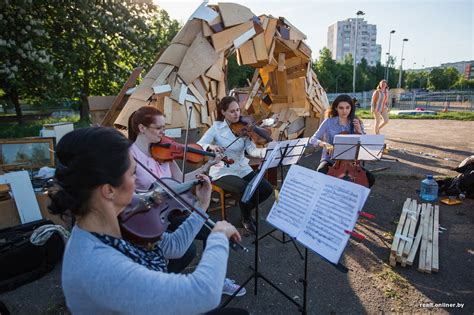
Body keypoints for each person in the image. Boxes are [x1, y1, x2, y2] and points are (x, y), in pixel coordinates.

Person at [49, 127, 247, 314]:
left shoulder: (118, 218)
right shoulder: (98, 265)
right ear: (108, 190)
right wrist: (218, 237)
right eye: (133, 173)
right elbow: (203, 294)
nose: (138, 184)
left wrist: (201, 206)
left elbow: (175, 246)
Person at [127, 106, 245, 296]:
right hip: (148, 218)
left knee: (211, 231)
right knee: (187, 249)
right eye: (159, 128)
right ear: (141, 128)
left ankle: (215, 280)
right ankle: (159, 283)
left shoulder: (162, 152)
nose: (164, 133)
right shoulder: (130, 157)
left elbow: (181, 180)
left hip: (170, 210)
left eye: (164, 128)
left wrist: (208, 165)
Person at [197, 96, 273, 233]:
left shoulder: (244, 127)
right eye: (232, 111)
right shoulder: (216, 128)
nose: (237, 114)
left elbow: (251, 150)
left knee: (266, 189)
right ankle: (246, 218)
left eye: (238, 110)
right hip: (222, 171)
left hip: (242, 167)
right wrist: (210, 147)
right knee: (245, 188)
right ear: (223, 112)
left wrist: (266, 152)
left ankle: (246, 208)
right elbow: (200, 144)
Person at [309, 94, 375, 187]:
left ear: (351, 108)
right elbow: (313, 139)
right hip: (331, 160)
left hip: (352, 161)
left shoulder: (356, 122)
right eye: (341, 108)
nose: (345, 111)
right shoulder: (328, 122)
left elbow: (364, 142)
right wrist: (324, 144)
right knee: (321, 173)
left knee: (370, 179)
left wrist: (359, 130)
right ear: (336, 108)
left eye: (347, 108)